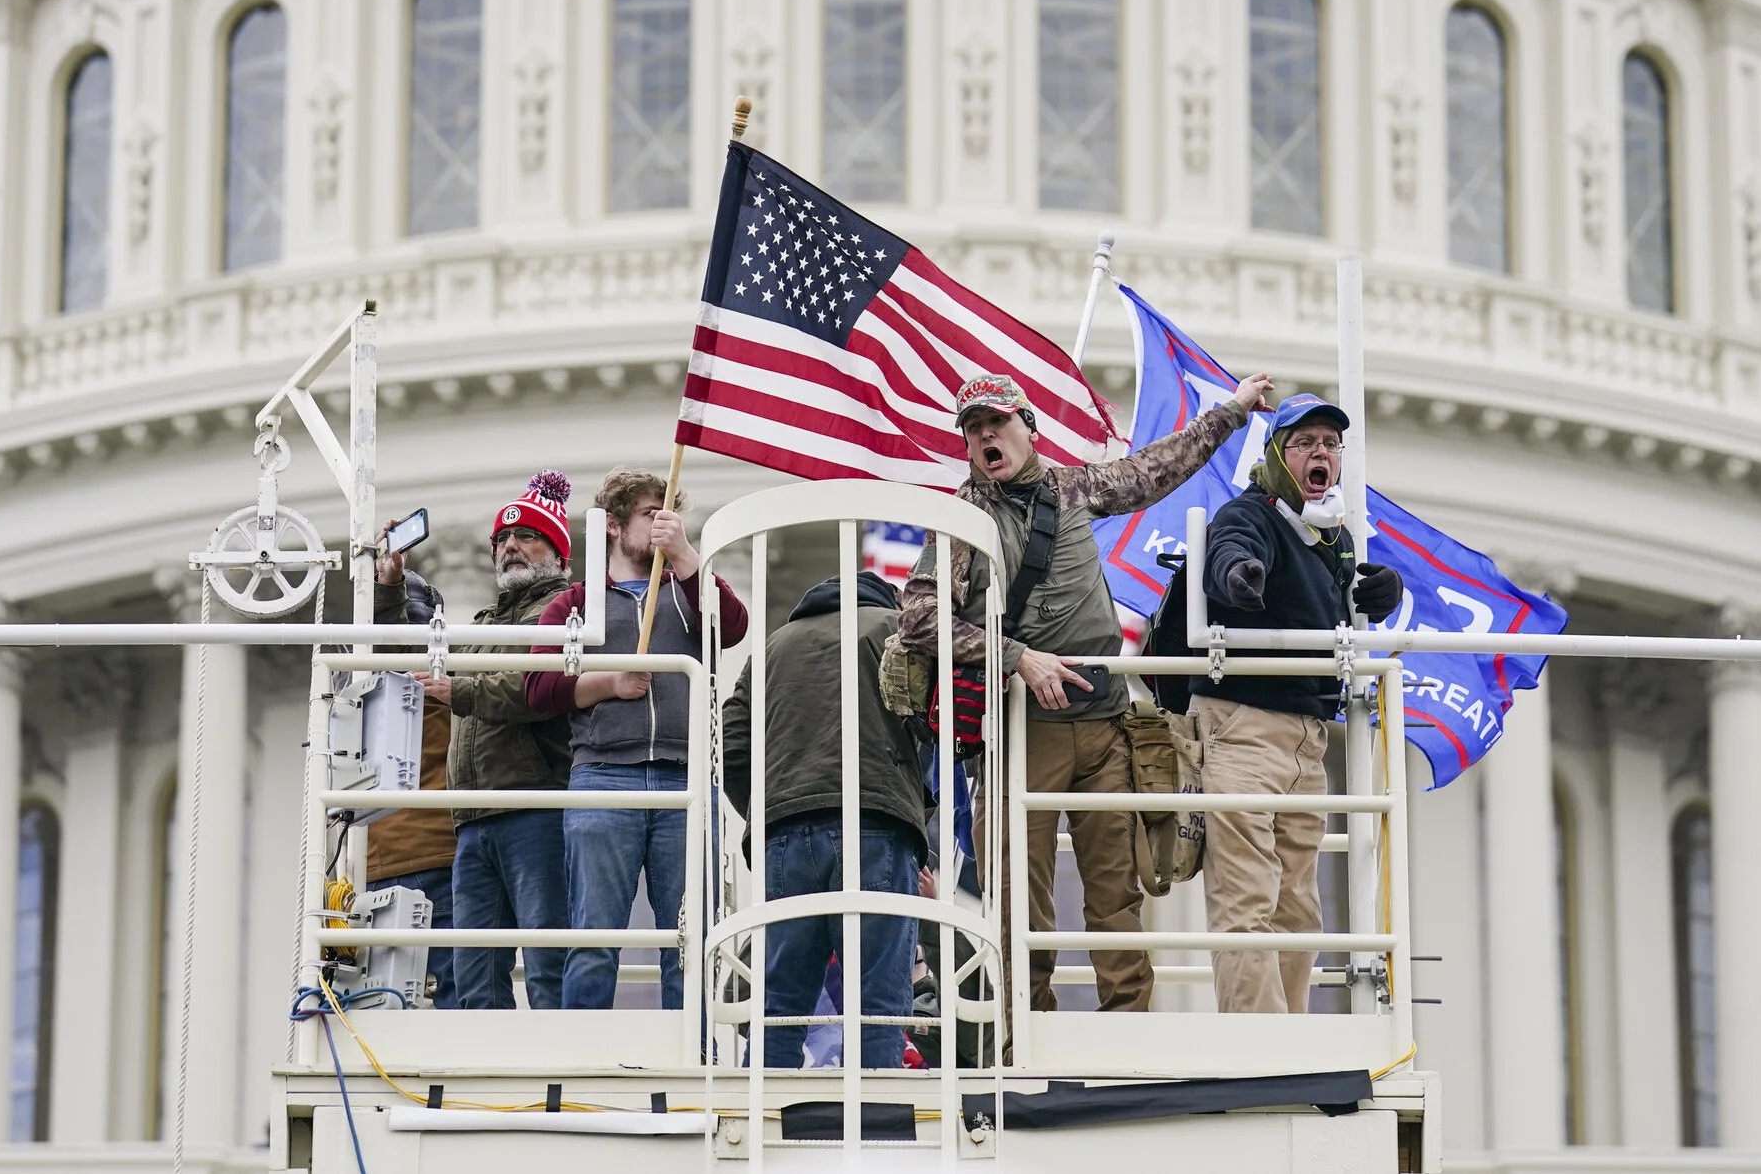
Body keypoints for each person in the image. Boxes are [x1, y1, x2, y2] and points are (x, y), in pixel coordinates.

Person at [899, 368, 1271, 1014]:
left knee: (1116, 891)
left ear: (1028, 428)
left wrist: (1232, 411)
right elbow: (918, 617)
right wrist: (1018, 658)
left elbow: (1157, 469)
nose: (986, 436)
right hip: (1022, 732)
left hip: (1106, 724)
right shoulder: (962, 520)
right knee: (1017, 893)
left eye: (997, 422)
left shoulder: (1073, 488)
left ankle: (1127, 1033)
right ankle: (1024, 1033)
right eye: (975, 428)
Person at [1197, 395, 1403, 1014]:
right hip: (1245, 728)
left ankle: (1288, 1035)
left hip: (1306, 741)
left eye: (1330, 444)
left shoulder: (1331, 538)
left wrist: (1382, 592)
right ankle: (1260, 1044)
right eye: (1306, 443)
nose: (1322, 453)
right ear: (1277, 456)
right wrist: (1238, 574)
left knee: (1297, 906)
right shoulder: (1252, 514)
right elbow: (1229, 547)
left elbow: (1334, 603)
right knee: (1246, 895)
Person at [526, 468, 749, 1009]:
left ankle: (695, 1050)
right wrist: (610, 683)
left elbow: (734, 626)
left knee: (691, 940)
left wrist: (687, 555)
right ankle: (586, 1050)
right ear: (614, 524)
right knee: (594, 938)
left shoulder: (687, 590)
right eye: (651, 513)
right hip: (604, 775)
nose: (663, 522)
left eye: (669, 513)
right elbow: (537, 687)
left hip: (684, 777)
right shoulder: (574, 603)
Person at [381, 472, 579, 1009]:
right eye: (502, 539)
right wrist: (391, 588)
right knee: (474, 981)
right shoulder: (482, 626)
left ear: (558, 553)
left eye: (527, 536)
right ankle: (490, 1072)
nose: (510, 546)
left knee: (548, 969)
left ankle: (561, 1065)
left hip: (536, 807)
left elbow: (536, 688)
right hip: (472, 820)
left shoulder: (565, 613)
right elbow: (408, 663)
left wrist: (460, 690)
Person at [723, 572, 930, 1068]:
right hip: (876, 822)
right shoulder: (897, 630)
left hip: (784, 832)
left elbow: (730, 745)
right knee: (879, 1000)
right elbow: (944, 720)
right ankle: (878, 1112)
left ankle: (764, 1106)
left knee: (779, 1003)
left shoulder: (771, 648)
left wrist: (770, 805)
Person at [365, 558, 461, 1008]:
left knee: (382, 995)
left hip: (379, 857)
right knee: (458, 989)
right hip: (440, 850)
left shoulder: (364, 691)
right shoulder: (448, 685)